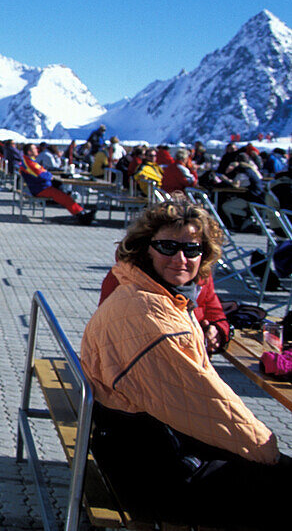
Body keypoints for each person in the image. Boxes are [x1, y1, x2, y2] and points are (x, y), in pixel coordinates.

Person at [80, 199, 292, 527]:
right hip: (154, 475)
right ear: (144, 248)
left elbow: (198, 402)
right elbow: (206, 405)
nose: (181, 258)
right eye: (168, 246)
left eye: (192, 249)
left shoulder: (153, 293)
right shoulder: (151, 316)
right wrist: (269, 452)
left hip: (138, 448)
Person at [18, 144, 96, 224]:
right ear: (29, 152)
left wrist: (51, 175)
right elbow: (42, 175)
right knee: (63, 196)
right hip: (40, 188)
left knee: (65, 194)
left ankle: (81, 213)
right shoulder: (29, 163)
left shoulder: (31, 161)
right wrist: (51, 176)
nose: (37, 149)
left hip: (42, 186)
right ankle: (81, 215)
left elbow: (44, 171)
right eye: (34, 149)